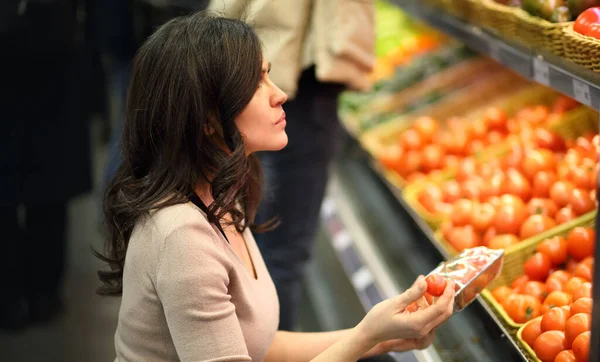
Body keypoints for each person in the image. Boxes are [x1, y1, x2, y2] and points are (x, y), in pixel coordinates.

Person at [97, 12, 455, 361]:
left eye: (268, 76)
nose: (280, 94)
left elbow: (261, 349)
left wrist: (381, 338)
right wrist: (365, 335)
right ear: (207, 119)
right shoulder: (183, 239)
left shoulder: (218, 196)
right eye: (255, 84)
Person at [208, 0, 376, 330]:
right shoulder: (178, 235)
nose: (276, 95)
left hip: (269, 62)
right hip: (302, 73)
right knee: (280, 254)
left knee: (259, 244)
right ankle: (267, 337)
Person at [0, 0, 96, 331]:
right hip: (57, 77)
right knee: (48, 198)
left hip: (19, 80)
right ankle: (43, 295)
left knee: (9, 199)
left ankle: (11, 300)